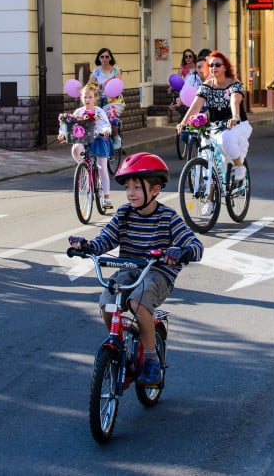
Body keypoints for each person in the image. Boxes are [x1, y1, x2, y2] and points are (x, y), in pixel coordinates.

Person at [69, 152, 203, 386]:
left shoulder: (167, 217)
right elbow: (106, 239)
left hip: (158, 273)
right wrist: (88, 246)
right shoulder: (123, 214)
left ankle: (150, 360)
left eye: (137, 187)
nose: (130, 192)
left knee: (138, 302)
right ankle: (118, 342)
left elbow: (194, 244)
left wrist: (181, 252)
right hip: (128, 269)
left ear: (155, 190)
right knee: (106, 301)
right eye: (128, 187)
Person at [176, 51, 252, 211]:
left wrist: (235, 116)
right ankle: (210, 200)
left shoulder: (234, 82)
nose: (214, 68)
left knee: (227, 140)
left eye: (218, 65)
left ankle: (239, 167)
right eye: (211, 65)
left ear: (225, 67)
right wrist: (183, 122)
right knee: (209, 158)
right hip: (215, 126)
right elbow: (196, 105)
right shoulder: (207, 85)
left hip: (236, 124)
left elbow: (234, 100)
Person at [59, 84, 114, 210]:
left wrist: (106, 130)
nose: (87, 99)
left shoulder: (99, 112)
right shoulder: (79, 112)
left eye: (90, 97)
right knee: (76, 147)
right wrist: (62, 133)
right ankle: (83, 167)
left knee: (102, 167)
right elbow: (68, 124)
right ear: (81, 98)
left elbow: (105, 124)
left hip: (99, 140)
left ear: (95, 99)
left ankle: (106, 198)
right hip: (84, 140)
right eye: (85, 97)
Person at [89, 47, 124, 147]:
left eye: (107, 57)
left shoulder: (116, 70)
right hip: (100, 98)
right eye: (102, 57)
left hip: (114, 99)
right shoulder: (96, 71)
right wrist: (82, 92)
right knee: (94, 117)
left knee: (111, 118)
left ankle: (116, 137)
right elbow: (89, 84)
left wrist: (104, 85)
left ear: (110, 58)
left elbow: (118, 83)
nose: (104, 59)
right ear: (99, 58)